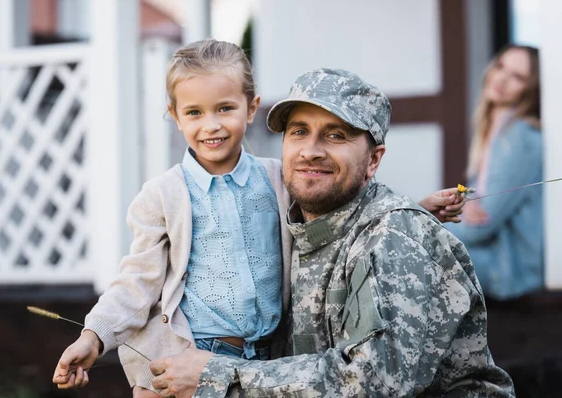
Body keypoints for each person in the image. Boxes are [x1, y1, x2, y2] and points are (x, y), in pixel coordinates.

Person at [51, 40, 464, 397]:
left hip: (266, 353)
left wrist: (417, 208)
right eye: (194, 113)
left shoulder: (278, 179)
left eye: (225, 108)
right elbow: (136, 279)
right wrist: (95, 336)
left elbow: (346, 213)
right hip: (189, 351)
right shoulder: (163, 195)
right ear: (175, 116)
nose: (211, 125)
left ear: (251, 109)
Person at [149, 68, 515, 397]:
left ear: (373, 160)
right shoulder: (293, 227)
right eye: (299, 132)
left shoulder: (395, 234)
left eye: (336, 135)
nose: (311, 151)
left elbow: (372, 382)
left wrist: (219, 376)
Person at [446, 45, 543, 300]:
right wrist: (463, 205)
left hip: (510, 270)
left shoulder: (520, 138)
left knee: (415, 251)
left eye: (518, 77)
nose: (502, 79)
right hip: (491, 257)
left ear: (530, 90)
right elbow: (472, 203)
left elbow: (480, 226)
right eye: (501, 67)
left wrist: (428, 223)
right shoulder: (495, 130)